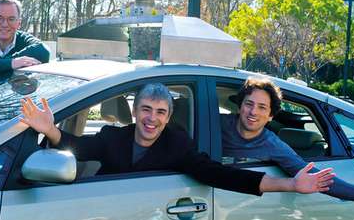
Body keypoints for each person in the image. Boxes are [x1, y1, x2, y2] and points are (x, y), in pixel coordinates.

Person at [20, 83, 336, 197]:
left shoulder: (178, 146)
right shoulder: (113, 136)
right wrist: (48, 129)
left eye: (160, 112)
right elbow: (78, 146)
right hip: (111, 214)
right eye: (145, 109)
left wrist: (291, 185)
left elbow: (223, 175)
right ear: (135, 110)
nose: (151, 118)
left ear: (168, 117)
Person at [221, 77, 354, 212]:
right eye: (249, 104)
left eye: (262, 107)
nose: (253, 112)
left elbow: (317, 177)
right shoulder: (215, 125)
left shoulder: (273, 145)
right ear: (240, 106)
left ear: (270, 116)